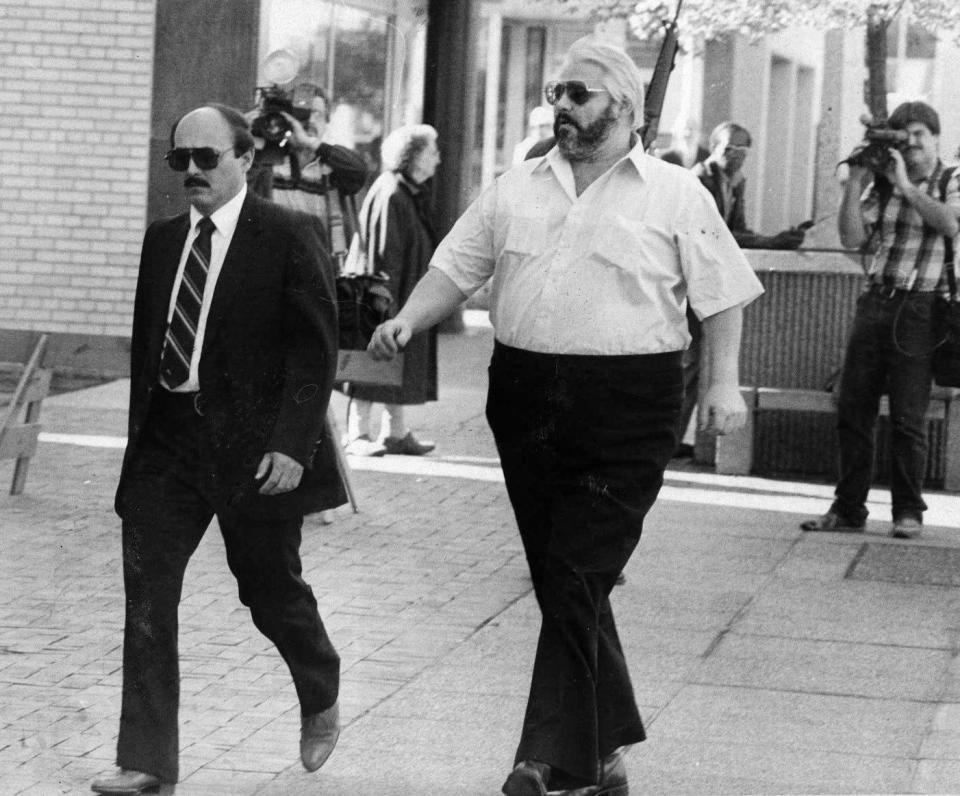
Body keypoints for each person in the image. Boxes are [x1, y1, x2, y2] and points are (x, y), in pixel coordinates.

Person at [368, 37, 763, 796]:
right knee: (563, 578)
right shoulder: (515, 187)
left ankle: (546, 762)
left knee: (578, 574)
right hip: (525, 401)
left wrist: (723, 388)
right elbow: (456, 266)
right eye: (556, 94)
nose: (562, 107)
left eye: (577, 94)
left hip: (630, 407)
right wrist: (410, 321)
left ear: (620, 102)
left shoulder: (675, 194)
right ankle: (605, 749)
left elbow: (726, 296)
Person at [91, 104, 346, 795]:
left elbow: (314, 351)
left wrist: (292, 445)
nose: (193, 172)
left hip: (254, 449)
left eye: (207, 158)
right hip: (169, 444)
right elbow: (152, 348)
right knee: (148, 598)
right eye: (181, 161)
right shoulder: (162, 239)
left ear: (245, 158)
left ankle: (319, 681)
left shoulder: (289, 234)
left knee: (267, 588)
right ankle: (147, 762)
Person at [801, 100, 960, 539]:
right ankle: (848, 509)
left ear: (935, 138)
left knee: (909, 417)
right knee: (854, 408)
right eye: (903, 137)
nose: (910, 146)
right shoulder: (884, 187)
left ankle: (908, 511)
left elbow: (949, 224)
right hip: (876, 301)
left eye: (918, 137)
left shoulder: (951, 179)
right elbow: (853, 238)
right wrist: (854, 184)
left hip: (922, 308)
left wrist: (907, 185)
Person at [675, 121, 806, 458]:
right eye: (729, 148)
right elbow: (717, 234)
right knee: (687, 366)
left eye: (742, 151)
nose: (735, 156)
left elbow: (738, 229)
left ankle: (678, 438)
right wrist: (771, 241)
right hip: (691, 285)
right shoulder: (698, 180)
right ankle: (672, 439)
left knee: (695, 367)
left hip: (713, 285)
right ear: (715, 146)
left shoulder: (736, 182)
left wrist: (772, 240)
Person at [343, 124, 442, 457]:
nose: (438, 159)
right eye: (431, 152)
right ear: (412, 157)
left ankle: (395, 432)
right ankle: (357, 434)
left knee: (395, 358)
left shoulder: (405, 190)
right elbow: (383, 255)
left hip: (402, 290)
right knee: (375, 356)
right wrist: (385, 303)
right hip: (387, 292)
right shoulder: (392, 193)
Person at [248, 85, 368, 269]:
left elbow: (359, 171)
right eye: (303, 113)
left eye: (318, 114)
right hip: (274, 267)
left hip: (321, 269)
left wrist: (312, 144)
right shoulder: (270, 161)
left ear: (327, 122)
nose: (310, 120)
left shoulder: (330, 166)